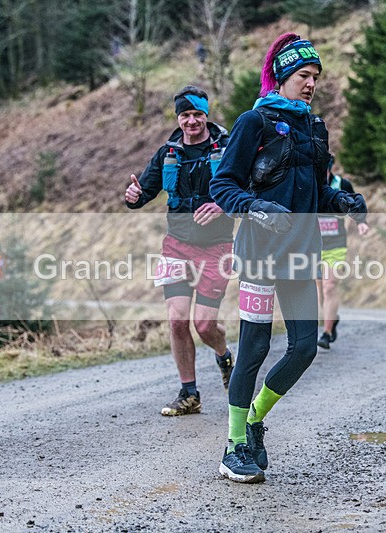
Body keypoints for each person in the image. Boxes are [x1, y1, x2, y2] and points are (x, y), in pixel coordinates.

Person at [210, 33, 368, 483]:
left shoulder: (313, 128)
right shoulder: (253, 122)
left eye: (316, 76)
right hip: (260, 252)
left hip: (301, 252)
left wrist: (344, 204)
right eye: (304, 75)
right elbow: (223, 185)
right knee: (255, 348)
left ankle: (256, 419)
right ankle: (234, 445)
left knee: (303, 348)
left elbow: (318, 193)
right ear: (282, 77)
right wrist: (257, 206)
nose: (311, 83)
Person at [124, 85, 235, 416]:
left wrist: (221, 205)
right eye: (185, 115)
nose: (191, 122)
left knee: (204, 325)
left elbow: (245, 188)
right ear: (178, 118)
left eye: (197, 114)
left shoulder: (227, 149)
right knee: (176, 320)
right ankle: (189, 393)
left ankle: (224, 355)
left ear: (206, 115)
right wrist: (132, 196)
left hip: (217, 247)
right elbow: (143, 191)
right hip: (176, 245)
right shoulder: (167, 153)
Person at [316, 155, 370, 349]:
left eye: (324, 168)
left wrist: (361, 222)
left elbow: (354, 204)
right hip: (314, 246)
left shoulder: (341, 184)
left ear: (330, 168)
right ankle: (332, 318)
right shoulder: (309, 184)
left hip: (336, 245)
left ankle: (327, 333)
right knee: (319, 291)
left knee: (329, 286)